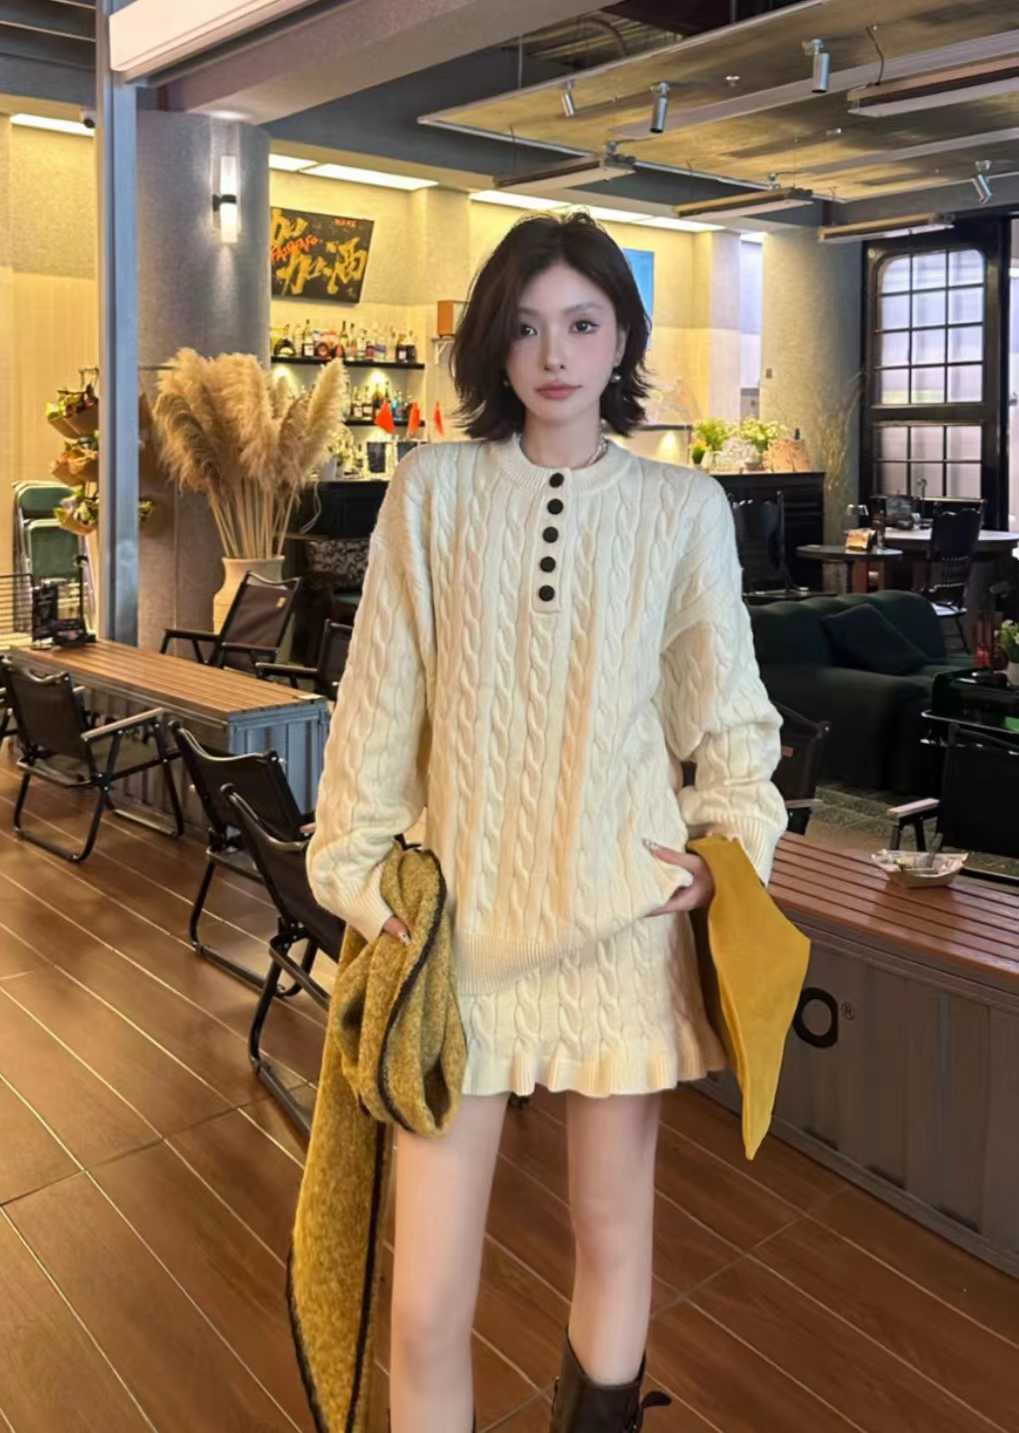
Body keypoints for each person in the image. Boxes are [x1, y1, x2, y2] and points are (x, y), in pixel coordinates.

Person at [308, 212, 788, 1433]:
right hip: (459, 937)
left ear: (621, 336)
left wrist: (725, 847)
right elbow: (377, 702)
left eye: (581, 323)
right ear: (493, 344)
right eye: (524, 327)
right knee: (425, 1301)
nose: (554, 354)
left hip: (621, 924)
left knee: (611, 1235)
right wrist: (363, 877)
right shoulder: (431, 491)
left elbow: (730, 714)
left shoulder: (681, 507)